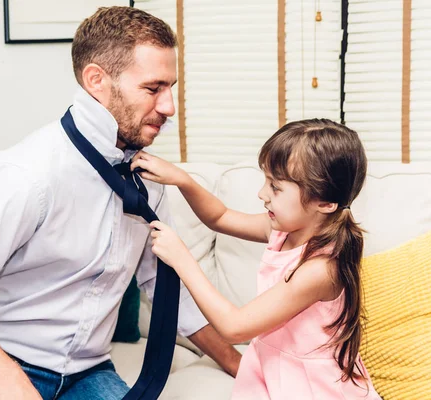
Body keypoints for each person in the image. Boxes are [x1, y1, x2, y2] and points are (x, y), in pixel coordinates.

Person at [0, 6, 241, 400]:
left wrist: (240, 364)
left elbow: (163, 284)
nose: (170, 107)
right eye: (153, 89)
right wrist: (13, 386)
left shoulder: (147, 181)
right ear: (97, 80)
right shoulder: (28, 173)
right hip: (1, 366)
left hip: (88, 372)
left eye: (171, 87)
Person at [131, 119, 383, 399]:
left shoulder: (320, 270)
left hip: (311, 387)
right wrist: (182, 179)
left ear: (324, 203)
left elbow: (234, 327)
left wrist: (182, 260)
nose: (262, 194)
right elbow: (220, 217)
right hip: (273, 369)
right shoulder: (281, 230)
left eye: (276, 187)